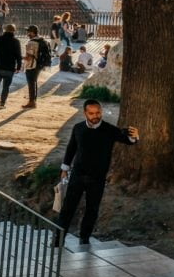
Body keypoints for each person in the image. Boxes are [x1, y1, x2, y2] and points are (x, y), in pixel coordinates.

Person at [55, 100, 139, 245]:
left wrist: (134, 136)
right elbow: (71, 148)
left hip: (97, 177)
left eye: (98, 112)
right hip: (77, 175)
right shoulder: (78, 128)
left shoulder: (109, 129)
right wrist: (64, 169)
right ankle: (58, 239)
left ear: (101, 112)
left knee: (92, 209)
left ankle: (84, 238)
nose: (95, 116)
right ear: (85, 113)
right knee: (68, 208)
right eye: (91, 113)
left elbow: (127, 140)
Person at [0, 24, 22, 109]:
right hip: (10, 67)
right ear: (14, 31)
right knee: (6, 87)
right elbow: (18, 56)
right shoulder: (16, 41)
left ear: (5, 30)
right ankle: (2, 104)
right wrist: (18, 67)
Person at [21, 25, 51, 109]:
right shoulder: (42, 40)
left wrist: (20, 57)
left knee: (31, 83)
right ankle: (33, 101)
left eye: (28, 32)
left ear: (33, 32)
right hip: (39, 65)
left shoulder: (31, 42)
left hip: (32, 65)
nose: (27, 33)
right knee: (34, 82)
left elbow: (29, 57)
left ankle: (32, 102)